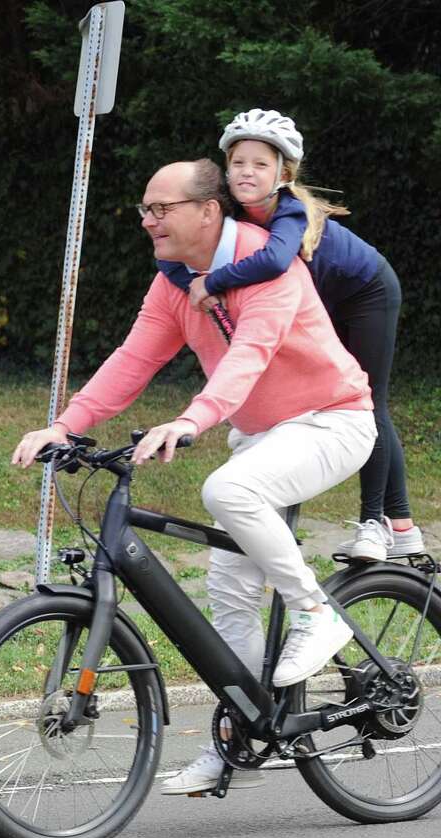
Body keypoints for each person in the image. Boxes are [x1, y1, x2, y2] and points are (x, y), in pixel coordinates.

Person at [13, 159, 377, 795]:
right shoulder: (173, 282)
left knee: (229, 490)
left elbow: (249, 355)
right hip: (264, 434)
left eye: (162, 209)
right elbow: (133, 360)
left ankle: (318, 613)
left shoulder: (269, 263)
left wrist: (190, 421)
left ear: (209, 211)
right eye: (144, 210)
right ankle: (245, 732)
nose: (149, 221)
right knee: (229, 594)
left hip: (332, 420)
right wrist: (65, 426)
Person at [158, 109, 420, 562]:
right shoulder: (226, 210)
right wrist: (194, 288)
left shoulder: (288, 209)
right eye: (238, 162)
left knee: (365, 400)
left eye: (260, 164)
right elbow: (172, 258)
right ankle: (403, 527)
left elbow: (277, 261)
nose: (247, 172)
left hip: (364, 289)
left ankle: (380, 525)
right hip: (315, 301)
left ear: (284, 173)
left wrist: (214, 284)